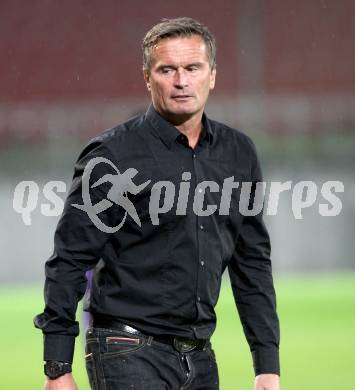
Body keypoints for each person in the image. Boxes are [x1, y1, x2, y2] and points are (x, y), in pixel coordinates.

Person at [34, 17, 281, 390]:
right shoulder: (113, 155)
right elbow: (69, 259)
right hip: (125, 349)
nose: (181, 81)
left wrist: (267, 364)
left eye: (193, 68)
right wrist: (57, 366)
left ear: (212, 75)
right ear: (148, 78)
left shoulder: (238, 154)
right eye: (167, 70)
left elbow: (252, 265)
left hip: (200, 356)